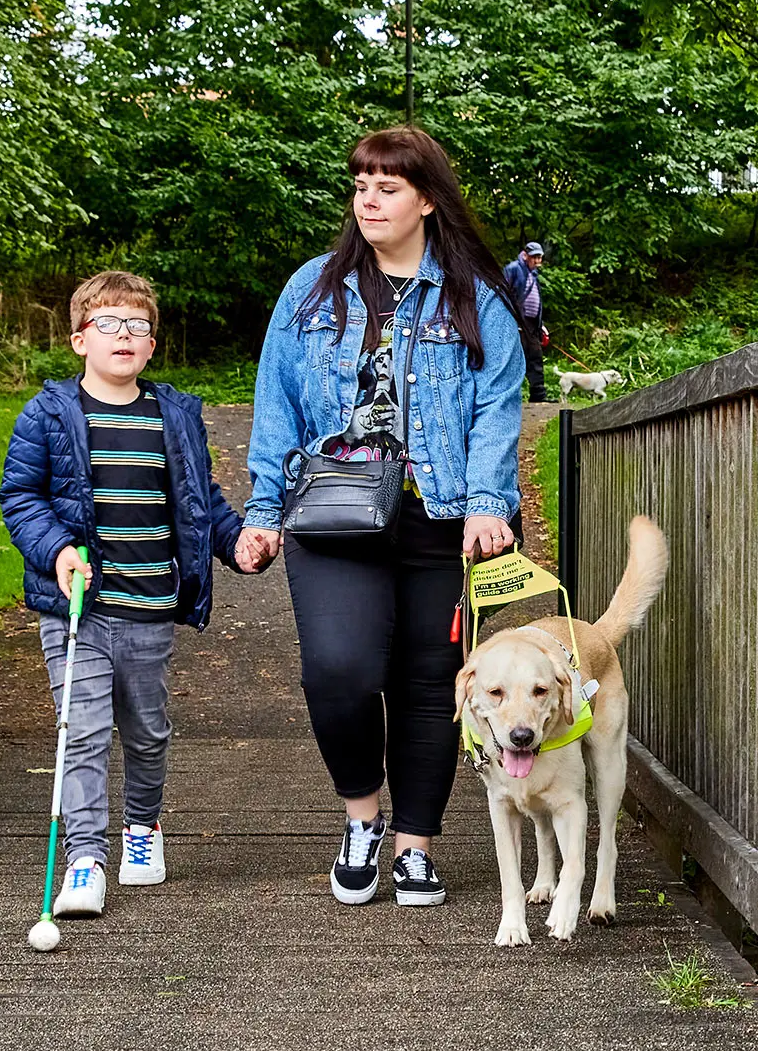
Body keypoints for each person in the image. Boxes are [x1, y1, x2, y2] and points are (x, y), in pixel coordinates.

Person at [234, 126, 524, 907]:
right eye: (360, 184)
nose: (369, 199)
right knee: (341, 669)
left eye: (388, 186)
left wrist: (490, 504)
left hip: (440, 516)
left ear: (426, 199)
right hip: (332, 512)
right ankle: (362, 816)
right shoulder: (311, 290)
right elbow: (277, 406)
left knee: (431, 683)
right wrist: (264, 511)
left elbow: (498, 406)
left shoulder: (476, 298)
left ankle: (414, 847)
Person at [0, 270, 253, 917]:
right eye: (108, 324)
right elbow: (21, 496)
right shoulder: (50, 412)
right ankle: (86, 855)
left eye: (138, 326)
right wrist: (57, 548)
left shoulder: (173, 415)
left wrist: (237, 542)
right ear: (80, 339)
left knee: (145, 731)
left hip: (150, 608)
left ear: (152, 344)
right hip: (78, 609)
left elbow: (203, 502)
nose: (124, 335)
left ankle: (143, 827)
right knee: (81, 732)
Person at [503, 242, 547, 402]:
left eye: (539, 257)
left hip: (532, 324)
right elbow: (503, 293)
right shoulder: (514, 269)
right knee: (515, 357)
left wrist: (541, 324)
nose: (537, 261)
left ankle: (538, 395)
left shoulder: (533, 274)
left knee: (535, 355)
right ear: (525, 255)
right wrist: (510, 319)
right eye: (534, 257)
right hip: (517, 321)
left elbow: (535, 301)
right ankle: (509, 397)